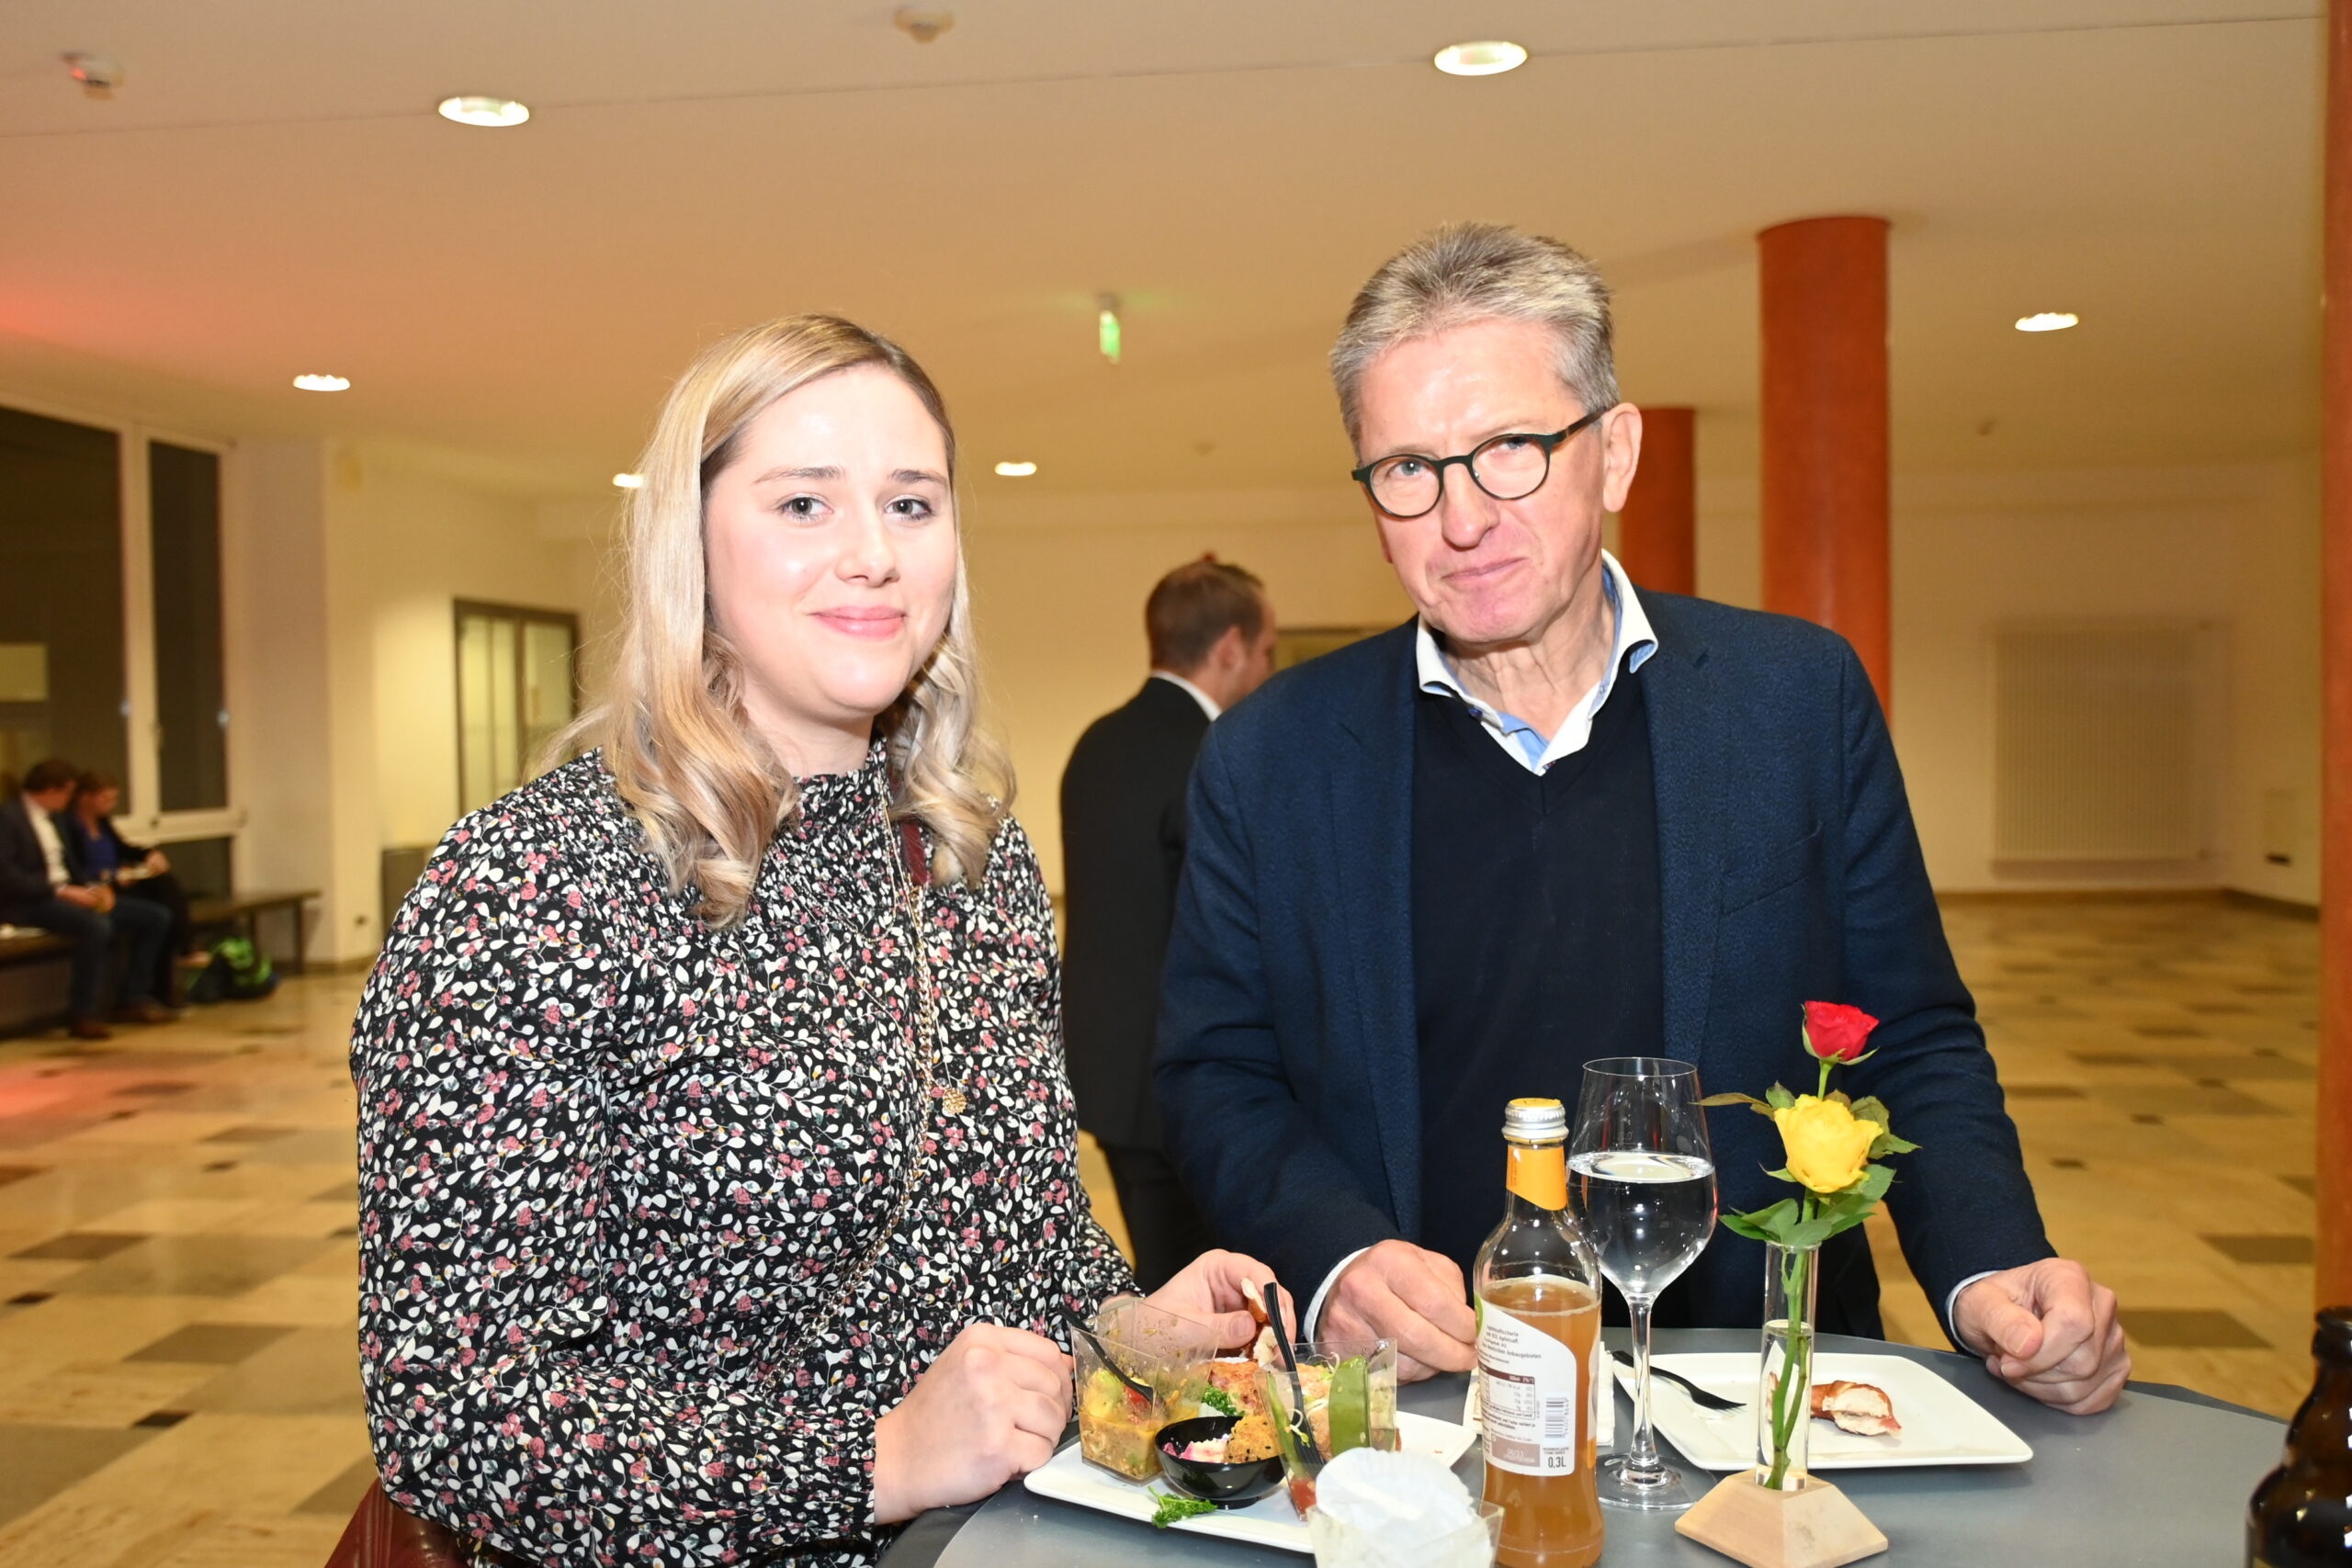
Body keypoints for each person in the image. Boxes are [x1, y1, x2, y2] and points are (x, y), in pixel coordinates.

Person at [352, 316, 1288, 1567]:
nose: (870, 554)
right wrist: (869, 1460)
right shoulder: (535, 883)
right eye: (802, 502)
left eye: (911, 503)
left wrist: (1134, 1325)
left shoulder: (967, 853)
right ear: (691, 544)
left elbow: (1017, 1232)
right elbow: (455, 1409)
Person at [1157, 223, 2132, 1416]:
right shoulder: (1271, 755)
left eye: (1510, 448)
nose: (1462, 518)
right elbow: (1218, 1073)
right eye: (1408, 468)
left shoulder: (1793, 701)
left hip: (1758, 1389)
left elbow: (1908, 1033)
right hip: (1426, 1404)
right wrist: (1338, 1258)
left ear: (1614, 451)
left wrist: (1992, 1262)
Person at [1060, 558, 1277, 1290]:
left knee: (1157, 1271)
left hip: (1103, 1066)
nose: (1265, 669)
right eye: (1267, 651)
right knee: (1210, 1292)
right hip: (1185, 1075)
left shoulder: (1097, 742)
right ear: (1229, 648)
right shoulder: (1214, 754)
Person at [0, 758, 175, 1039]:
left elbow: (69, 864)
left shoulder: (56, 819)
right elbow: (6, 874)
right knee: (95, 926)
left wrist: (93, 888)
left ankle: (133, 996)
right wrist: (60, 891)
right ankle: (83, 1012)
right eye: (68, 793)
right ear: (50, 790)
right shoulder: (9, 818)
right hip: (31, 901)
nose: (70, 800)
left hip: (68, 892)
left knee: (155, 917)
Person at [62, 771, 197, 1003]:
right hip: (97, 889)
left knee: (164, 887)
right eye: (105, 799)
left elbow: (123, 848)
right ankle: (158, 976)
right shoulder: (69, 826)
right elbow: (74, 868)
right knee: (158, 914)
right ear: (85, 798)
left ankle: (163, 980)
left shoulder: (103, 823)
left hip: (118, 882)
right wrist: (112, 878)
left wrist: (148, 853)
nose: (110, 805)